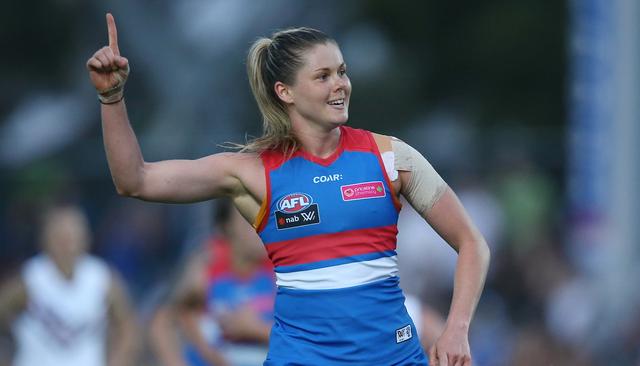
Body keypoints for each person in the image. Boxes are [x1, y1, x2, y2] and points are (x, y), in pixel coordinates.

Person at [87, 13, 490, 366]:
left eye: (342, 72)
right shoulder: (255, 173)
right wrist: (111, 96)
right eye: (323, 76)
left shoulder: (391, 157)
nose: (341, 85)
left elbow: (472, 242)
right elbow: (135, 180)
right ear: (285, 92)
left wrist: (456, 328)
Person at [0, 203, 139, 366]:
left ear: (86, 238)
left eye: (73, 236)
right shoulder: (29, 278)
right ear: (45, 239)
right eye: (60, 236)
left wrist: (117, 361)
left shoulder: (102, 278)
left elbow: (129, 328)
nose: (67, 244)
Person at [149, 200, 275, 366]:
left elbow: (309, 338)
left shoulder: (283, 269)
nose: (260, 229)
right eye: (249, 220)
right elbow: (161, 322)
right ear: (225, 226)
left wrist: (256, 329)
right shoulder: (206, 265)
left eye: (265, 220)